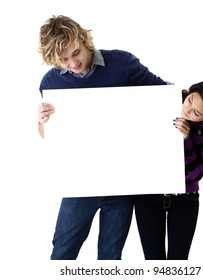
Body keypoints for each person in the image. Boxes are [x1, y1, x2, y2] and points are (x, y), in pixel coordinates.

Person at [37, 15, 169, 260]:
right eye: (62, 60)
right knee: (63, 252)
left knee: (110, 256)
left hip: (122, 180)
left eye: (75, 52)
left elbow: (162, 98)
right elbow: (50, 137)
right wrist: (43, 123)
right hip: (79, 181)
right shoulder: (51, 82)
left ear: (83, 39)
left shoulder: (122, 63)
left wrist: (173, 99)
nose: (72, 63)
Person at [135, 80, 203, 260]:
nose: (186, 110)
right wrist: (156, 86)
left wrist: (186, 139)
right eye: (189, 100)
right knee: (152, 261)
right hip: (148, 197)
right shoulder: (167, 102)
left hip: (184, 201)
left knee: (178, 262)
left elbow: (195, 174)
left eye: (196, 112)